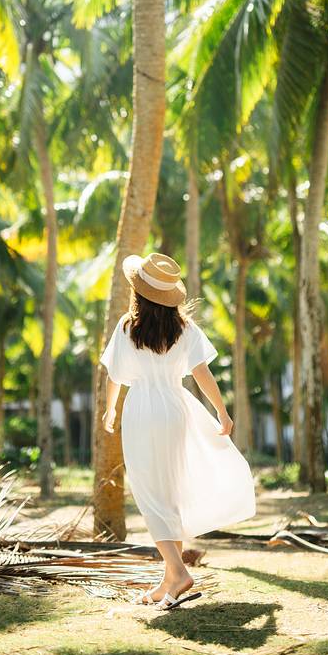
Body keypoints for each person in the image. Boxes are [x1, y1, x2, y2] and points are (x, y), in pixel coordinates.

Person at [99, 251, 256, 610]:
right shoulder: (184, 328)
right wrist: (222, 411)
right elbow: (202, 374)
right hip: (175, 407)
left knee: (150, 493)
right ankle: (169, 580)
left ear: (139, 292)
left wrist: (110, 408)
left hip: (141, 409)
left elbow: (114, 377)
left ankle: (178, 571)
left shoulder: (127, 326)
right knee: (168, 492)